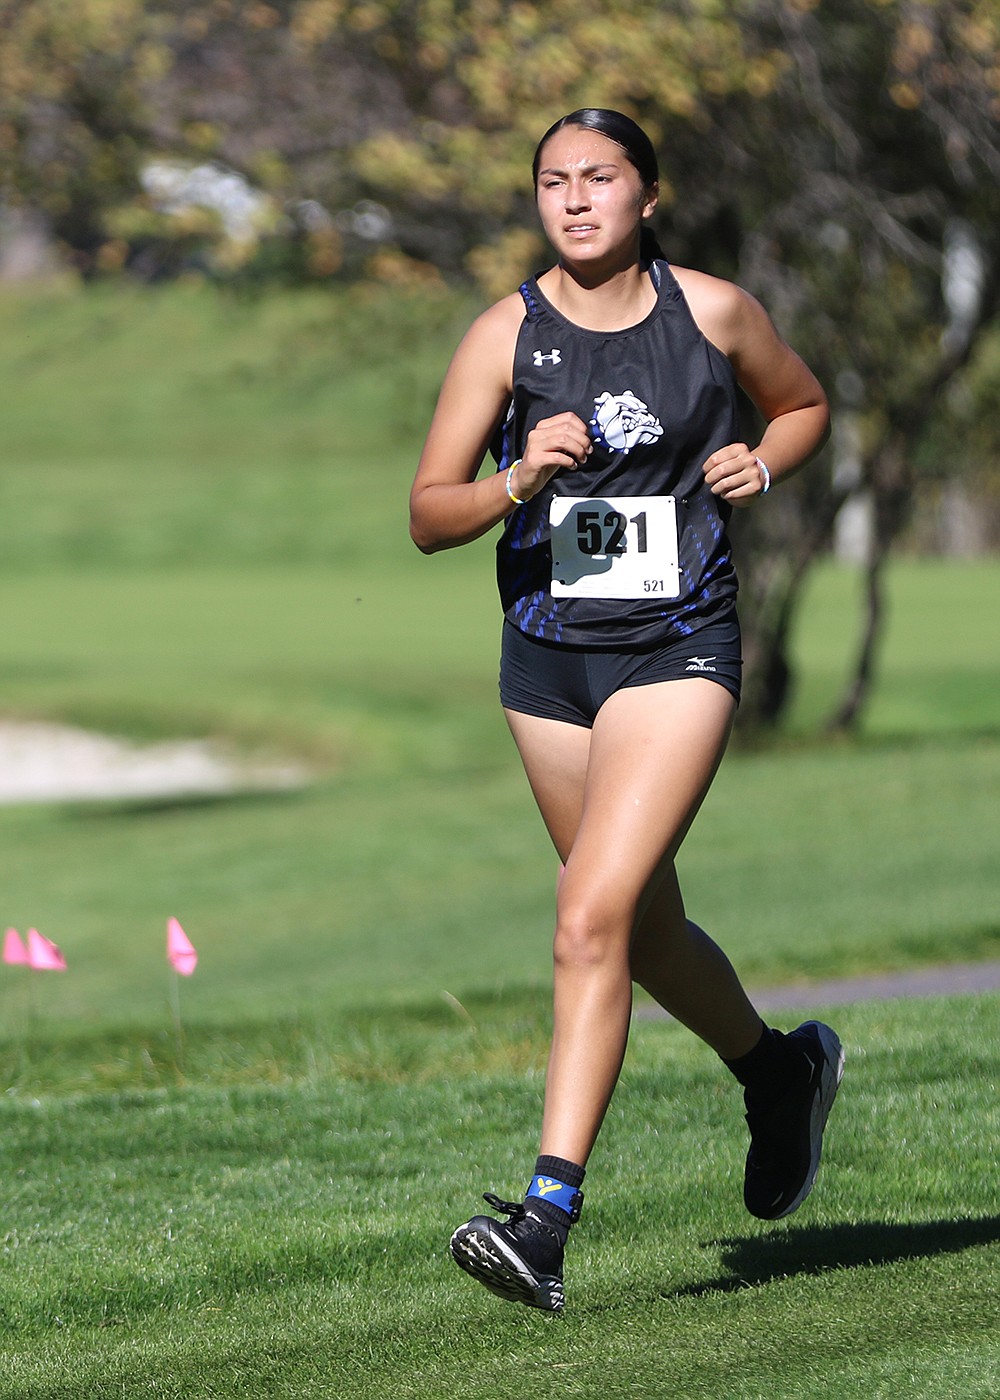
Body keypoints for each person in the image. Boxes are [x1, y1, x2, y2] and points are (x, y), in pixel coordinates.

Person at [409, 108, 843, 1314]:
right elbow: (428, 512)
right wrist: (515, 477)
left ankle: (544, 1217)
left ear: (648, 195)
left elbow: (799, 404)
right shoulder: (507, 332)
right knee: (638, 931)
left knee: (585, 912)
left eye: (600, 178)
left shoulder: (713, 312)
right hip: (548, 664)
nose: (576, 198)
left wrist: (766, 460)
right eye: (554, 181)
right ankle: (777, 1070)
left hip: (676, 647)